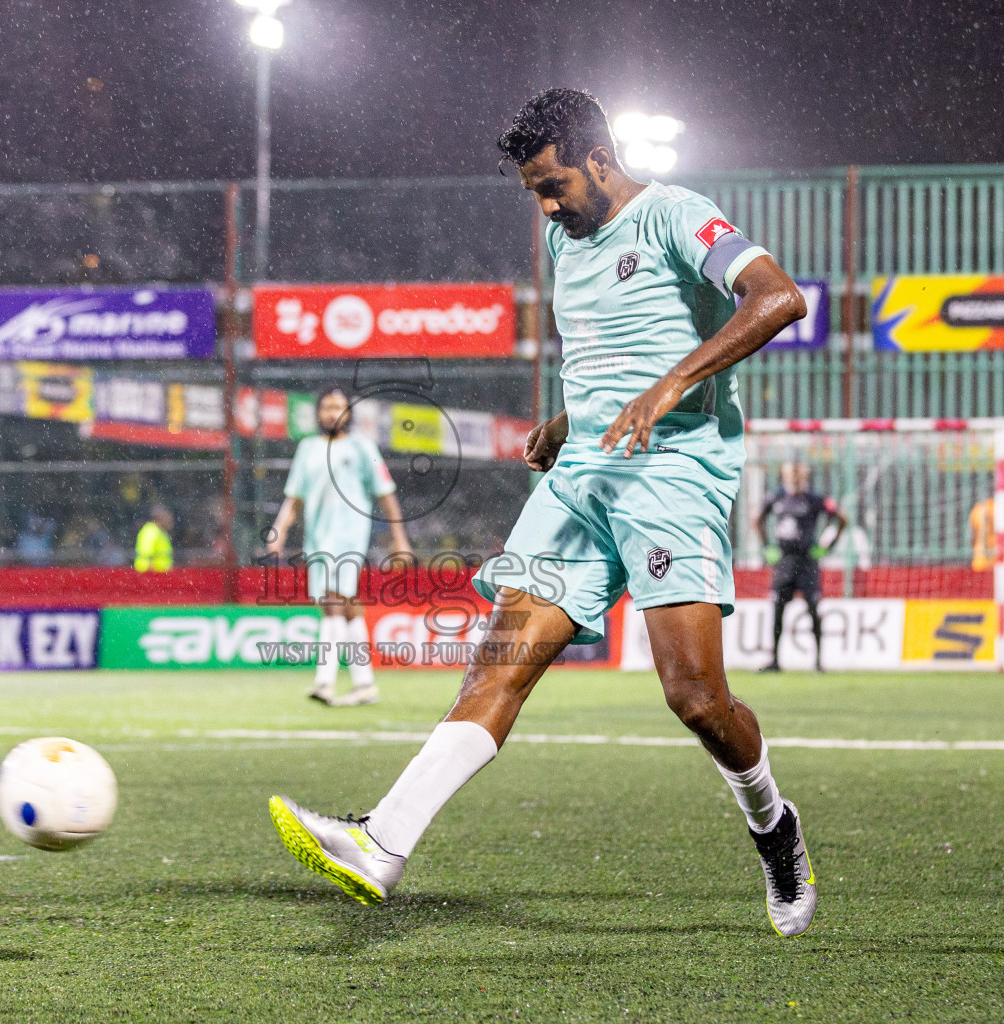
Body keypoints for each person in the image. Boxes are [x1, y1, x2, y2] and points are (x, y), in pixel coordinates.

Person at [267, 89, 817, 936]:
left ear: (600, 158)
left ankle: (773, 824)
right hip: (580, 484)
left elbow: (778, 298)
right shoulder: (567, 239)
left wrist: (670, 386)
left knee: (698, 701)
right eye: (533, 190)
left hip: (671, 475)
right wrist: (571, 420)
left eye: (554, 184)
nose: (546, 204)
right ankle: (381, 843)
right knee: (499, 664)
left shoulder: (677, 215)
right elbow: (606, 346)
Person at [266, 387, 412, 707]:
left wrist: (400, 539)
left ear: (349, 413)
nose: (334, 413)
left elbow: (385, 492)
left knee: (333, 601)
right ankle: (365, 684)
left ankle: (324, 681)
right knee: (344, 607)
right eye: (328, 407)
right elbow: (295, 497)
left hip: (349, 536)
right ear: (318, 413)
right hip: (317, 538)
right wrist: (279, 530)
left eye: (340, 407)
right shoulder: (307, 449)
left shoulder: (362, 447)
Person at [756, 462, 846, 672]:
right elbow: (757, 519)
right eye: (790, 475)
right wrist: (766, 547)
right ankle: (775, 660)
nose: (794, 478)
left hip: (807, 563)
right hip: (784, 563)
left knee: (813, 609)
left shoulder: (814, 500)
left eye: (798, 475)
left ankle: (818, 662)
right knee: (778, 610)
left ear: (804, 477)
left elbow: (841, 518)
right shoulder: (776, 498)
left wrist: (826, 547)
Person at [134, 505, 175, 573]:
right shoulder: (151, 531)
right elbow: (147, 555)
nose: (170, 520)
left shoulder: (161, 531)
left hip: (159, 573)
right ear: (159, 518)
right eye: (167, 517)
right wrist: (150, 576)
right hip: (151, 573)